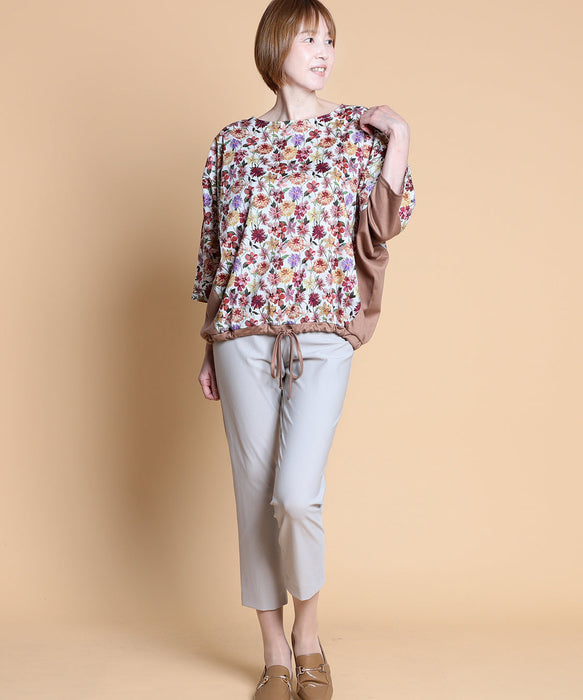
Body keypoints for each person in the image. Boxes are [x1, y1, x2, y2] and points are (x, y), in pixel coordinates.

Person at [191, 1, 416, 697]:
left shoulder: (355, 133)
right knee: (253, 494)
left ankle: (308, 636)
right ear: (276, 47)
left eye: (330, 41)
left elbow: (385, 222)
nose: (323, 52)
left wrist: (400, 136)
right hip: (241, 334)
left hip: (322, 332)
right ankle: (274, 652)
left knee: (294, 495)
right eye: (309, 38)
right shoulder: (232, 143)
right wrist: (209, 342)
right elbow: (217, 249)